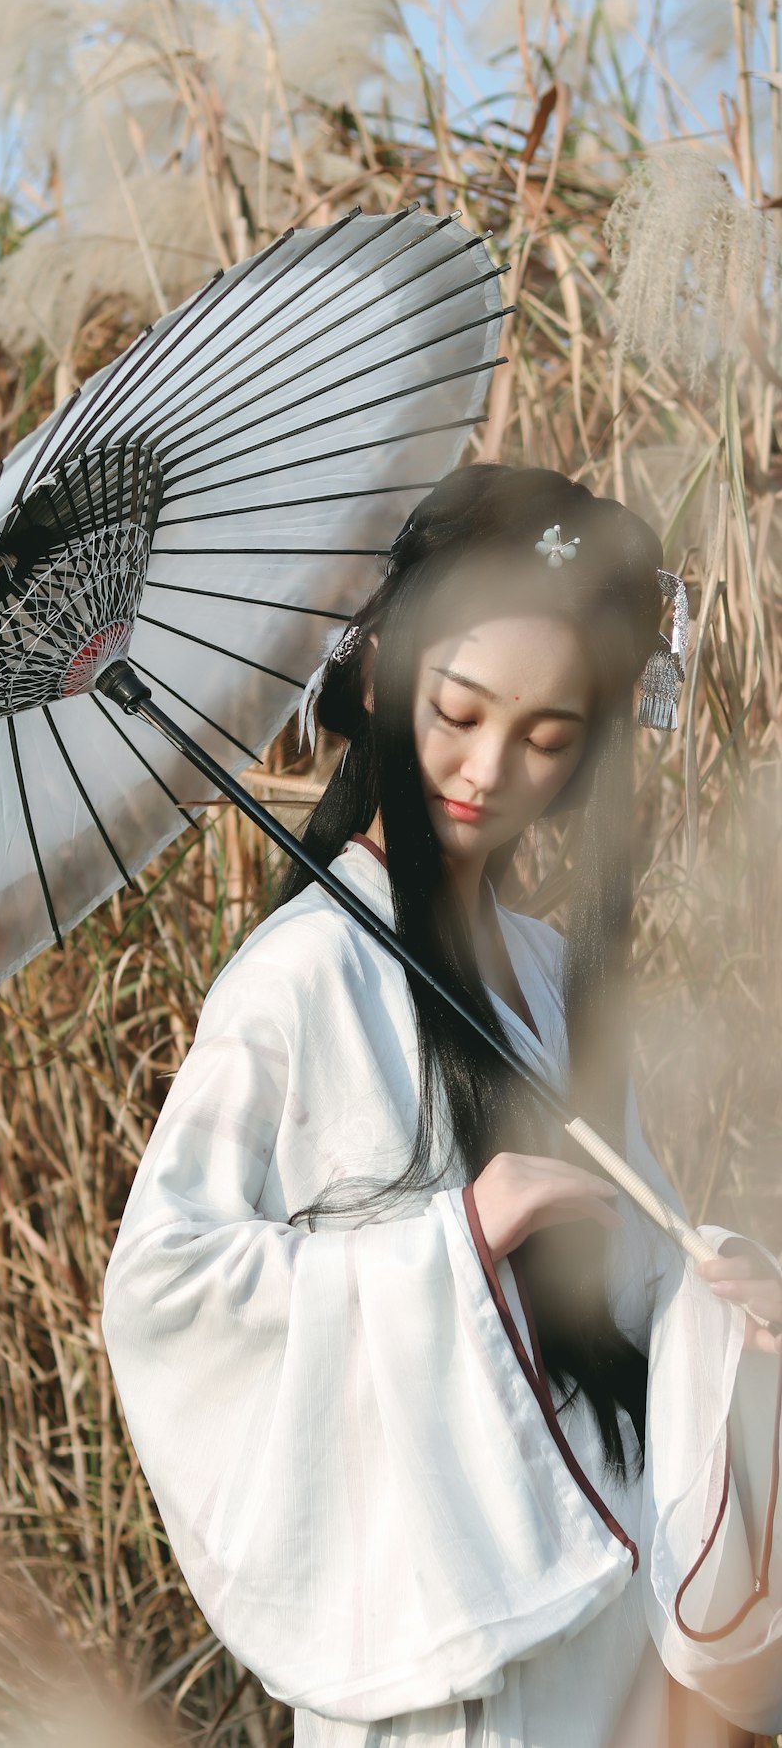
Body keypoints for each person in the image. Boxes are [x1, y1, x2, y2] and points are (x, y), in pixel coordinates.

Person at [101, 464, 782, 1748]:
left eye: (546, 736)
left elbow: (632, 1274)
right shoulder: (301, 972)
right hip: (433, 1612)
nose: (487, 768)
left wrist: (719, 1296)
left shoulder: (541, 969)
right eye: (458, 710)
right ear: (378, 679)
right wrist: (458, 1233)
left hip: (601, 1587)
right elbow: (163, 1284)